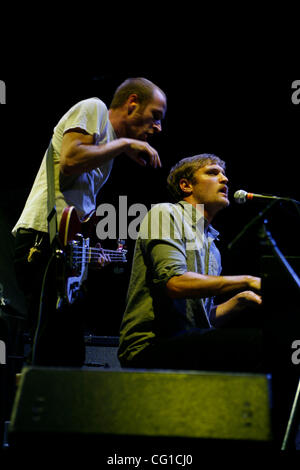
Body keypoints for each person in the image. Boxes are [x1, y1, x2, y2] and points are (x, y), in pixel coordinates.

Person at [12, 77, 167, 367]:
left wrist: (87, 255)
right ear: (132, 103)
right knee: (49, 350)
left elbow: (76, 209)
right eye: (155, 116)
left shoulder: (106, 147)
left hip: (61, 246)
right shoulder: (93, 108)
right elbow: (70, 160)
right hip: (41, 239)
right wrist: (124, 143)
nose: (158, 127)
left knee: (68, 353)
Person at [118, 153, 264, 372]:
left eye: (224, 174)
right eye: (213, 173)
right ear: (186, 185)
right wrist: (248, 280)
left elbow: (201, 319)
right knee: (260, 346)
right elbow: (176, 284)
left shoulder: (212, 245)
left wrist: (242, 300)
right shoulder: (165, 213)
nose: (224, 179)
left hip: (187, 343)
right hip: (151, 347)